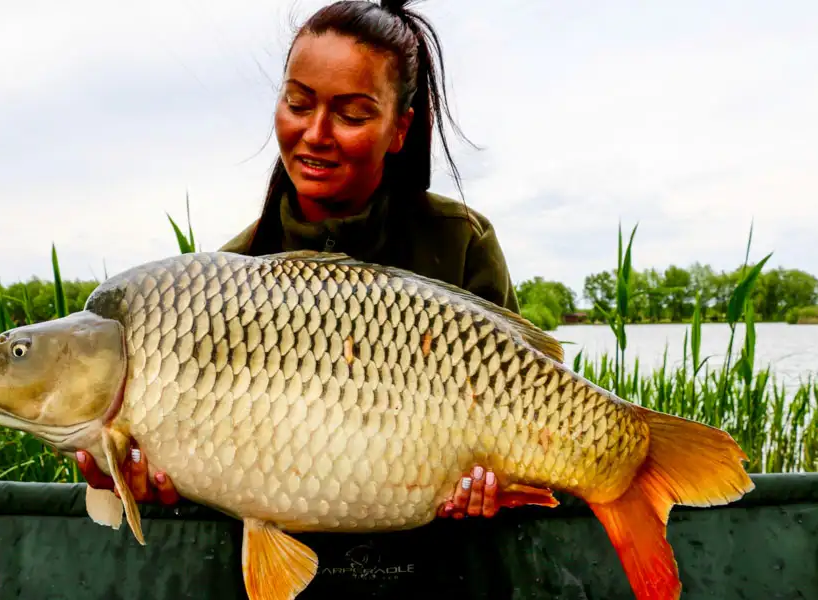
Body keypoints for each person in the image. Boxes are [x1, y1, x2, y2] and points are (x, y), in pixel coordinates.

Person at [78, 0, 528, 533]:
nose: (316, 133)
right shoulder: (225, 281)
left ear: (400, 128)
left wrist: (497, 487)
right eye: (297, 103)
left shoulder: (460, 245)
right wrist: (152, 483)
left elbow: (525, 408)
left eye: (352, 115)